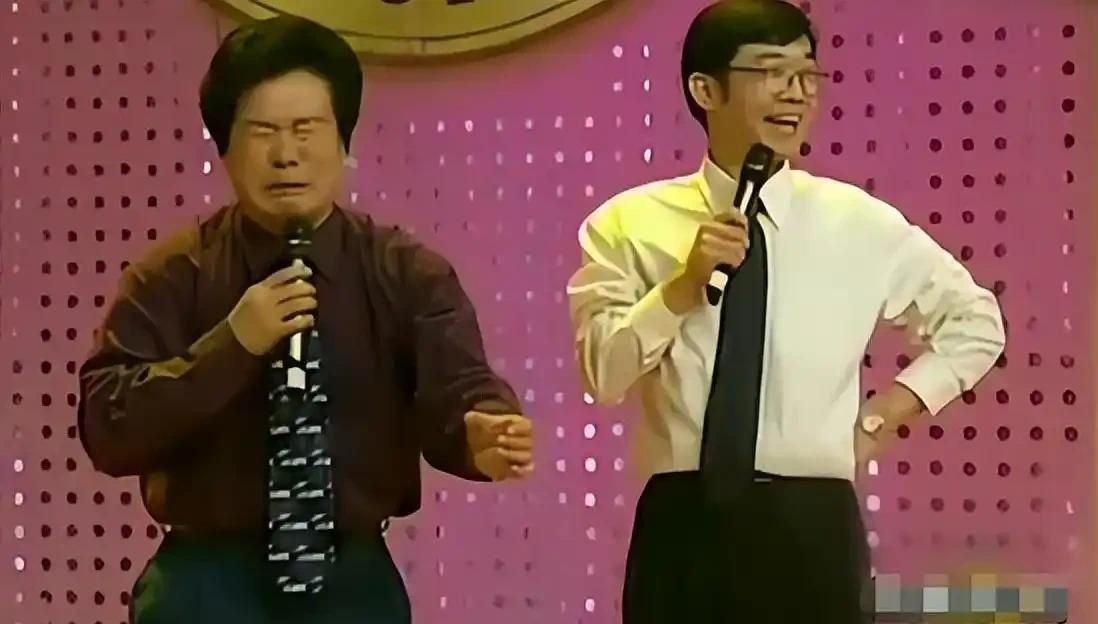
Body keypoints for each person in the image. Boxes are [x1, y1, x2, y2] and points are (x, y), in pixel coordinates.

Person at [77, 15, 534, 624]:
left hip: (354, 582)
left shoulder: (405, 271)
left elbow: (460, 388)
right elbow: (108, 425)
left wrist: (482, 433)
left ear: (344, 141)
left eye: (306, 129)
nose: (286, 154)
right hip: (203, 582)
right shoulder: (172, 275)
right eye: (263, 132)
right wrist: (233, 344)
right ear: (224, 147)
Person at [566, 1, 1005, 622]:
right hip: (683, 523)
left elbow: (976, 323)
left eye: (806, 74)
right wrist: (682, 287)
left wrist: (880, 417)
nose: (796, 93)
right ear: (705, 90)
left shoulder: (858, 223)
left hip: (814, 523)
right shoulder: (627, 223)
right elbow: (603, 375)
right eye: (771, 72)